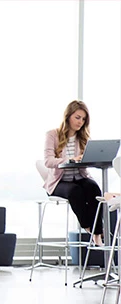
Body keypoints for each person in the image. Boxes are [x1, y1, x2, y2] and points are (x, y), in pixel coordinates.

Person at [42, 100, 103, 246]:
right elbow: (48, 161)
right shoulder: (52, 135)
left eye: (83, 119)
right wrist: (71, 159)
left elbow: (86, 163)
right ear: (68, 116)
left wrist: (88, 158)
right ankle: (89, 227)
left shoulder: (83, 137)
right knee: (75, 191)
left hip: (79, 177)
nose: (80, 122)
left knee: (94, 189)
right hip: (60, 182)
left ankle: (97, 235)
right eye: (77, 117)